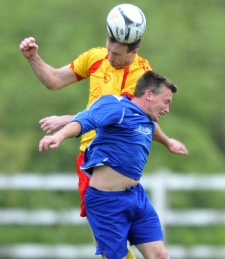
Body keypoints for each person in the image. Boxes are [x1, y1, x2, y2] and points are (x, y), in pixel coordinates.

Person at [19, 5, 188, 259]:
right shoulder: (96, 57)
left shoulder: (141, 74)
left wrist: (66, 120)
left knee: (136, 250)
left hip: (115, 158)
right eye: (109, 48)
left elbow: (116, 116)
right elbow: (54, 80)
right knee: (112, 248)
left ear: (134, 51)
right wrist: (33, 58)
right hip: (90, 160)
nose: (110, 57)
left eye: (117, 54)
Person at [39, 70, 179, 259]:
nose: (167, 109)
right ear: (149, 95)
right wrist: (59, 136)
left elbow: (154, 130)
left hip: (137, 196)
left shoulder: (148, 119)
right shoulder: (118, 106)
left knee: (160, 255)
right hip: (107, 202)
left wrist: (168, 142)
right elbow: (86, 120)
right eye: (166, 101)